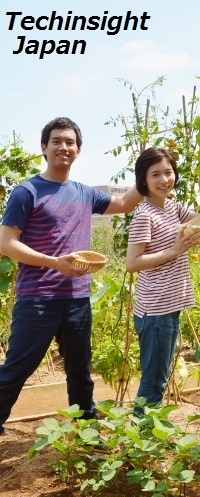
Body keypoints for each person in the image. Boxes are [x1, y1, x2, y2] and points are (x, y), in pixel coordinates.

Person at [0, 117, 144, 435]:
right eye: (57, 141)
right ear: (44, 148)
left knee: (80, 372)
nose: (64, 147)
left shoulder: (84, 193)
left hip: (77, 299)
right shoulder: (27, 192)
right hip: (38, 298)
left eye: (70, 142)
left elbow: (123, 204)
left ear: (78, 150)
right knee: (17, 369)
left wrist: (145, 171)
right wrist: (55, 263)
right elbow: (6, 243)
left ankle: (86, 432)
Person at [126, 147, 200, 410]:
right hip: (154, 311)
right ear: (144, 181)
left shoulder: (172, 208)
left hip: (170, 308)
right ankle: (139, 442)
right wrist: (174, 250)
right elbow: (132, 263)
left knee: (158, 380)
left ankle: (146, 438)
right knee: (153, 383)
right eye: (156, 175)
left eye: (168, 172)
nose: (164, 180)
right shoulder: (144, 215)